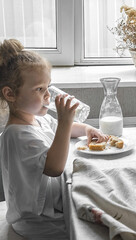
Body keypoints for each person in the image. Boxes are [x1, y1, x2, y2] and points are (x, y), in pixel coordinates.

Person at [0, 39, 108, 239]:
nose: (48, 95)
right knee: (93, 231)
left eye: (48, 87)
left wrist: (86, 129)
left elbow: (62, 130)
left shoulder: (36, 120)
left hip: (52, 208)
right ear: (11, 94)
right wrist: (66, 122)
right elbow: (54, 167)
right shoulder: (16, 135)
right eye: (39, 89)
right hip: (37, 223)